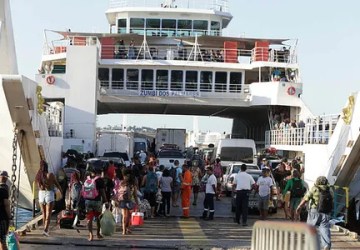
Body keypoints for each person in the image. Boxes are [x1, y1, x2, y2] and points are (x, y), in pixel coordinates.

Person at [296, 176, 333, 250]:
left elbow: (306, 198)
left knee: (311, 227)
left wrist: (299, 207)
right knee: (324, 228)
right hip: (326, 212)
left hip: (314, 211)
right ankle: (326, 245)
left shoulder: (314, 188)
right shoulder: (330, 189)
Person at [35, 160, 62, 237]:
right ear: (47, 167)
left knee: (44, 213)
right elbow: (57, 184)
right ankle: (46, 230)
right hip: (49, 194)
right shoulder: (50, 175)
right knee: (48, 214)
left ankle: (44, 229)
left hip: (41, 194)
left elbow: (39, 186)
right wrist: (61, 192)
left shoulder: (38, 176)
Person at [83, 167, 107, 241]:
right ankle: (98, 234)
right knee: (98, 218)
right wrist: (105, 201)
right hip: (97, 201)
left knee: (89, 218)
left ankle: (90, 235)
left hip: (87, 201)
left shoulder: (87, 179)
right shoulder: (99, 180)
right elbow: (102, 192)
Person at [116, 169, 138, 235]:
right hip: (129, 201)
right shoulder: (132, 185)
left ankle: (123, 231)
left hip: (122, 201)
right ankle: (128, 228)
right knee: (128, 216)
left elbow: (118, 192)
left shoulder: (122, 183)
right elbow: (135, 195)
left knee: (124, 216)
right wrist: (137, 203)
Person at [0, 171, 11, 250]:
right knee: (3, 241)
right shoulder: (4, 190)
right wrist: (10, 217)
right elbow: (7, 205)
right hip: (2, 218)